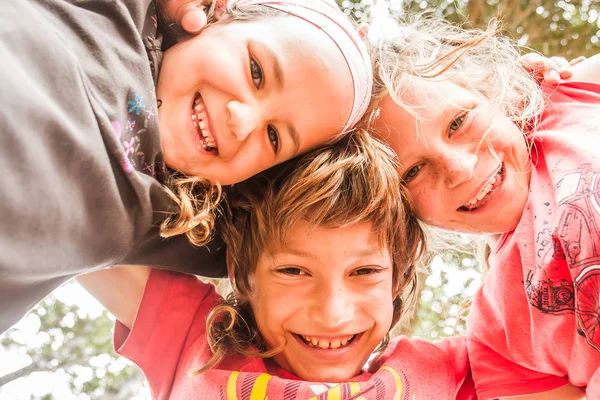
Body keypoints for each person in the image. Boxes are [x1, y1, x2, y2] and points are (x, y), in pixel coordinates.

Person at [0, 0, 371, 333]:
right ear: (219, 13)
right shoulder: (117, 10)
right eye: (256, 72)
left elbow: (333, 226)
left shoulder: (179, 220)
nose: (242, 122)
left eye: (273, 137)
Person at [77, 129, 475, 400]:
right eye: (293, 271)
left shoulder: (450, 371)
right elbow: (72, 214)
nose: (332, 314)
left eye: (365, 272)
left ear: (396, 280)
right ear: (241, 273)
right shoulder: (198, 344)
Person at [366, 14, 599, 400]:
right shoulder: (498, 336)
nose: (459, 168)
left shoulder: (575, 96)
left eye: (458, 122)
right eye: (413, 172)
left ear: (496, 93)